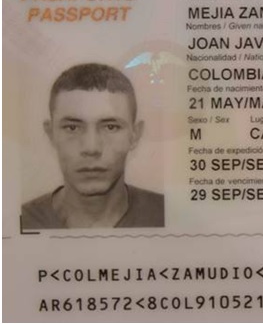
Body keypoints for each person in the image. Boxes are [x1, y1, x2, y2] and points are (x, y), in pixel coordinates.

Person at [21, 63, 164, 229]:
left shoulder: (167, 215)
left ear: (135, 135)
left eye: (111, 127)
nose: (91, 148)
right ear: (50, 134)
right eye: (72, 128)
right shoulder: (18, 222)